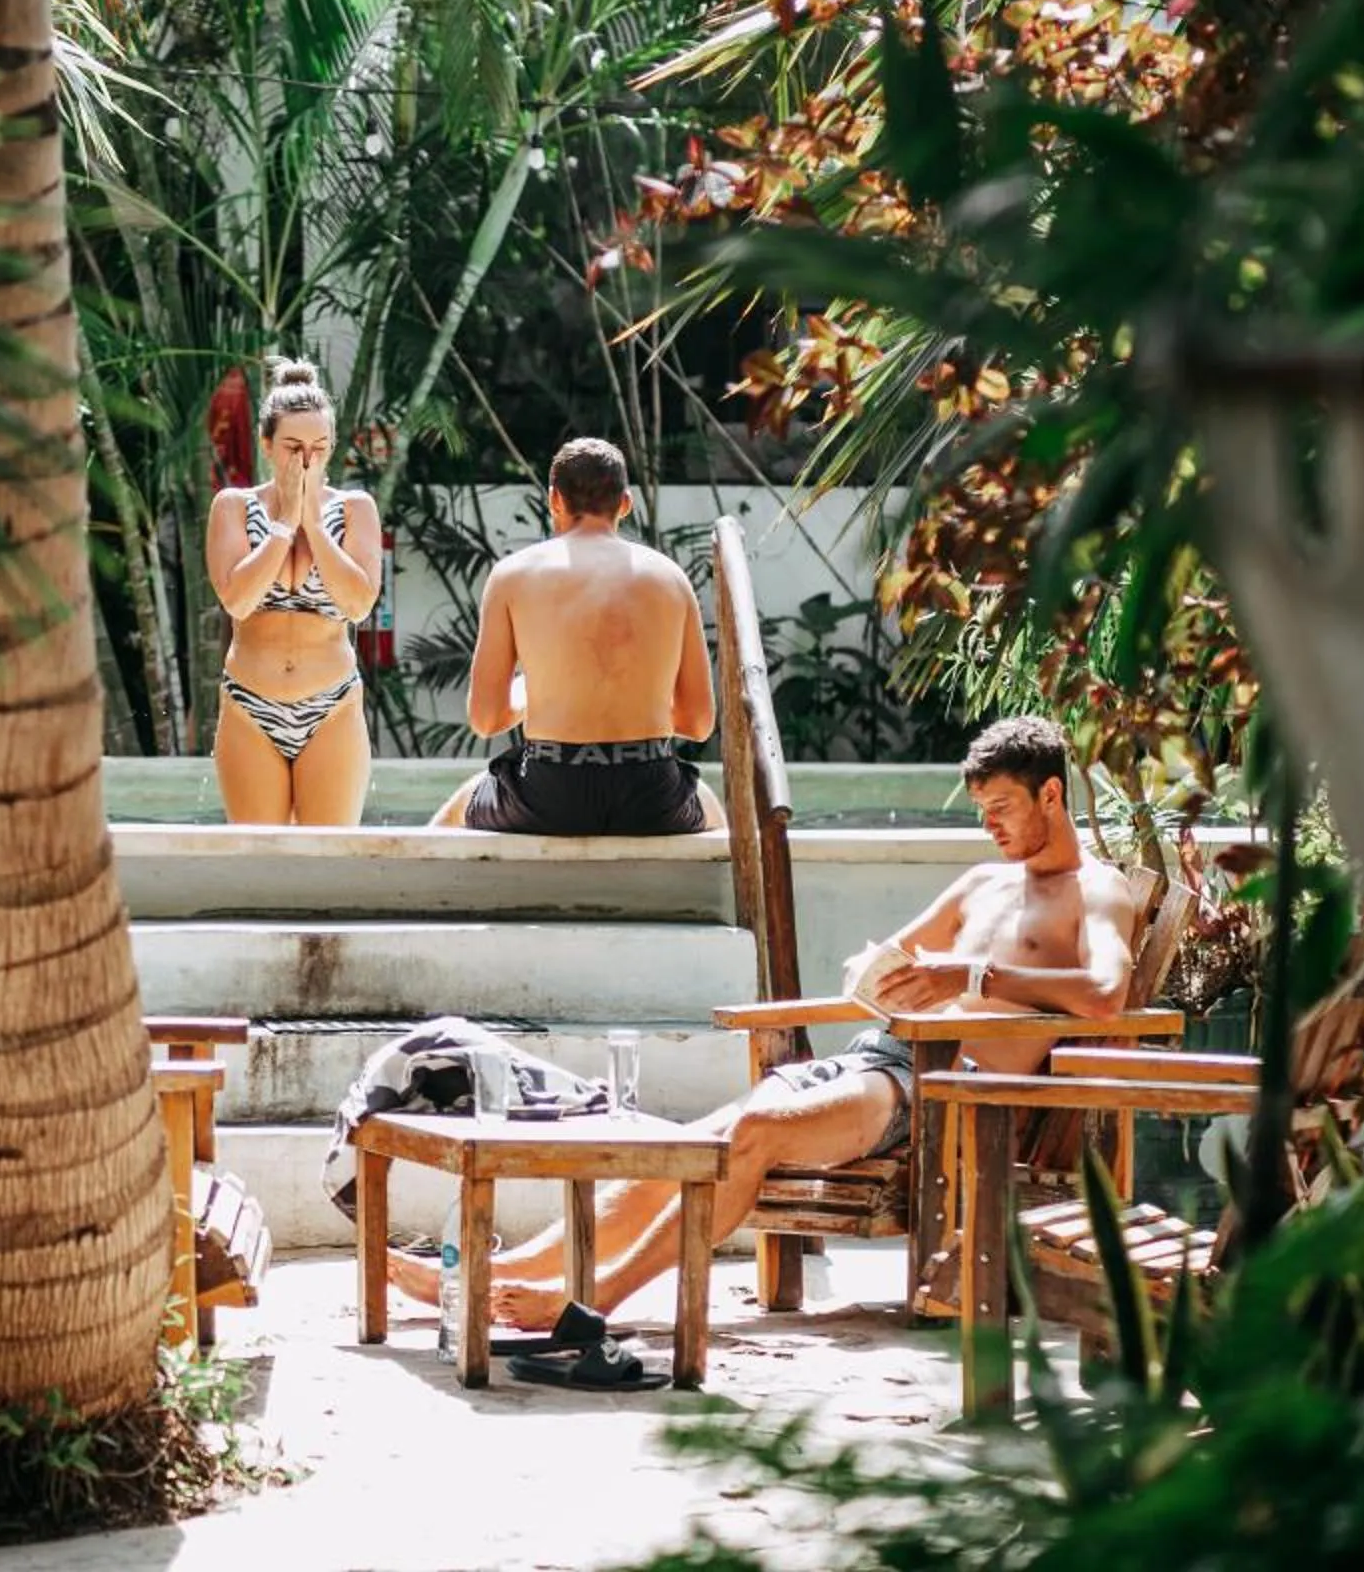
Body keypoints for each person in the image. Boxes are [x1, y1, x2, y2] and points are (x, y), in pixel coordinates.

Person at [390, 715, 1141, 1329]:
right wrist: (874, 974)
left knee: (754, 1135)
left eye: (1002, 810)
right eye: (981, 813)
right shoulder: (982, 882)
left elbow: (1107, 993)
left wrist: (969, 976)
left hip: (947, 1091)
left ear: (1050, 795)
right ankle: (501, 1274)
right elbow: (896, 956)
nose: (990, 828)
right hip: (881, 1058)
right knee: (694, 1145)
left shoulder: (1094, 891)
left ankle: (591, 1303)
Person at [426, 436, 718, 835]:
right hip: (651, 792)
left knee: (458, 807)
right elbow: (698, 722)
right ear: (626, 503)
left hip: (548, 791)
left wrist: (539, 689)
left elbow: (486, 718)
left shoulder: (513, 574)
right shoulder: (669, 578)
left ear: (553, 500)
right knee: (714, 810)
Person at [205, 358, 385, 824]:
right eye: (293, 447)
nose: (306, 460)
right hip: (251, 703)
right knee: (258, 858)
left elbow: (357, 604)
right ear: (267, 445)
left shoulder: (353, 509)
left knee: (330, 858)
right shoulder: (234, 506)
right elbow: (238, 600)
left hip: (331, 704)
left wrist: (311, 523)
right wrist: (284, 523)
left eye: (319, 448)